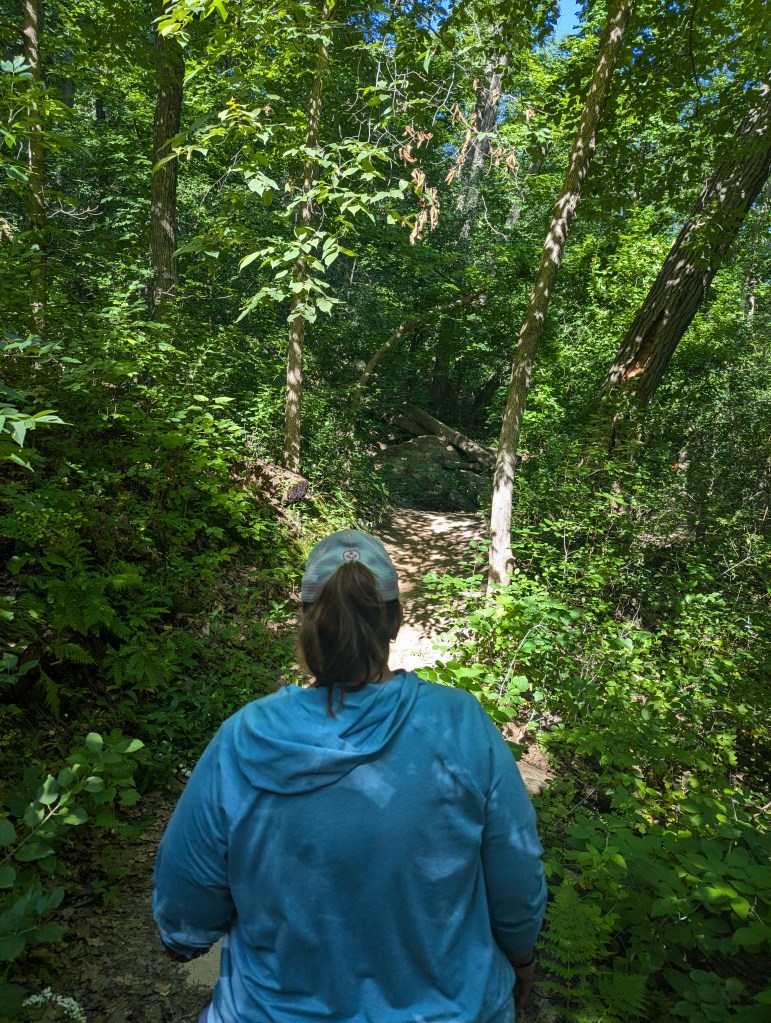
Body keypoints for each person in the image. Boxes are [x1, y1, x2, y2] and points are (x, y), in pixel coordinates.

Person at [153, 529, 546, 1023]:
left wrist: (185, 938)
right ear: (396, 621)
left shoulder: (245, 737)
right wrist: (520, 956)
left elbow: (185, 903)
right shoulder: (459, 722)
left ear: (304, 620)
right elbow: (515, 870)